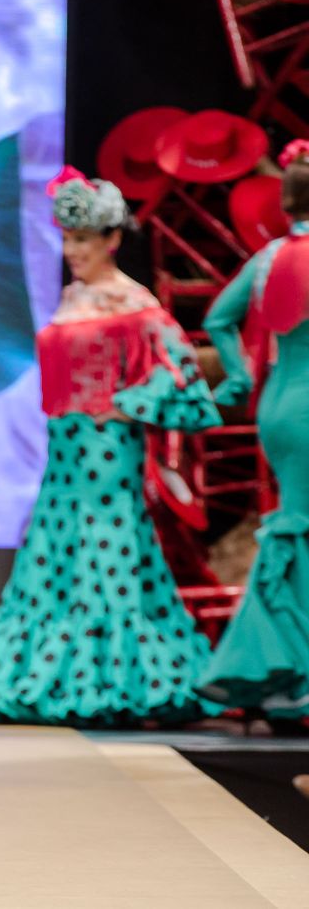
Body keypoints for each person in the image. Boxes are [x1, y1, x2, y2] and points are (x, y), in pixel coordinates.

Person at [0, 169, 222, 726]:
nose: (71, 250)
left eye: (82, 239)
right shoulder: (74, 297)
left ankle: (117, 686)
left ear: (111, 240)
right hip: (65, 453)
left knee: (109, 557)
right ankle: (56, 681)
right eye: (66, 238)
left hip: (107, 452)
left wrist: (127, 403)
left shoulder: (131, 300)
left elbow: (181, 369)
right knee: (58, 561)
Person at [197, 146, 309, 720]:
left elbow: (217, 317)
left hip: (279, 406)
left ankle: (287, 670)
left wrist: (239, 377)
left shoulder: (267, 258)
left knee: (295, 525)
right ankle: (293, 673)